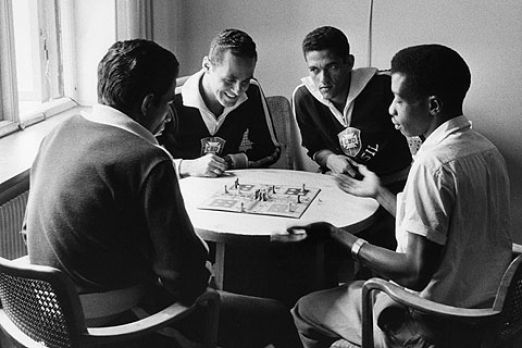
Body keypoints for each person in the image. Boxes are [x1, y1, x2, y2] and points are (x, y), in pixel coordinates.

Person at [24, 39, 300, 348]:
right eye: (168, 102)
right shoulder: (147, 158)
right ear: (147, 104)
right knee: (276, 315)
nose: (169, 113)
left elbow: (27, 232)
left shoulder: (58, 133)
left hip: (47, 318)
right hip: (118, 327)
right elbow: (185, 280)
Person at [289, 44, 512, 348]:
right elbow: (441, 230)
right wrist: (378, 191)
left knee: (305, 310)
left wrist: (339, 237)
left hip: (429, 321)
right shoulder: (486, 150)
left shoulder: (432, 164)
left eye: (399, 100)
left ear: (433, 105)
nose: (391, 109)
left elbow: (413, 274)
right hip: (480, 319)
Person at [157, 28, 280, 177]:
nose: (237, 90)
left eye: (245, 81)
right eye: (230, 80)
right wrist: (188, 166)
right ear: (207, 66)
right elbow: (144, 160)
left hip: (229, 187)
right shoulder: (170, 97)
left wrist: (231, 161)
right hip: (180, 188)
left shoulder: (252, 90)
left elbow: (270, 150)